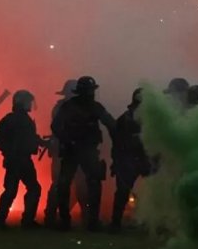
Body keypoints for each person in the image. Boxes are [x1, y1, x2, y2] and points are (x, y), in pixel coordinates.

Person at [48, 76, 115, 231]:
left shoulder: (87, 106)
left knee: (87, 184)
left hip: (85, 151)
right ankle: (68, 220)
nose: (90, 94)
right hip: (75, 151)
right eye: (89, 91)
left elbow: (110, 123)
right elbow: (56, 126)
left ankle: (87, 220)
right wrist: (68, 141)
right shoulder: (70, 107)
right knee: (66, 185)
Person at [0, 90, 45, 229]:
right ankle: (26, 221)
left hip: (17, 160)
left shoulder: (12, 118)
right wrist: (10, 150)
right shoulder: (17, 119)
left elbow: (27, 139)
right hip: (19, 160)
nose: (30, 105)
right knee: (31, 188)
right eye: (28, 102)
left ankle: (0, 220)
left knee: (12, 190)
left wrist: (40, 141)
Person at [43, 79, 85, 227]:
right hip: (62, 152)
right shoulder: (62, 108)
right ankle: (52, 215)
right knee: (60, 184)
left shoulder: (73, 107)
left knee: (79, 184)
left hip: (73, 151)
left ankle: (81, 215)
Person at [109, 88, 152, 232]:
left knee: (152, 189)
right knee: (122, 191)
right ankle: (116, 223)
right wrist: (116, 161)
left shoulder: (151, 118)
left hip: (143, 158)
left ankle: (149, 221)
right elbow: (117, 141)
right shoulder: (125, 119)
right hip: (128, 158)